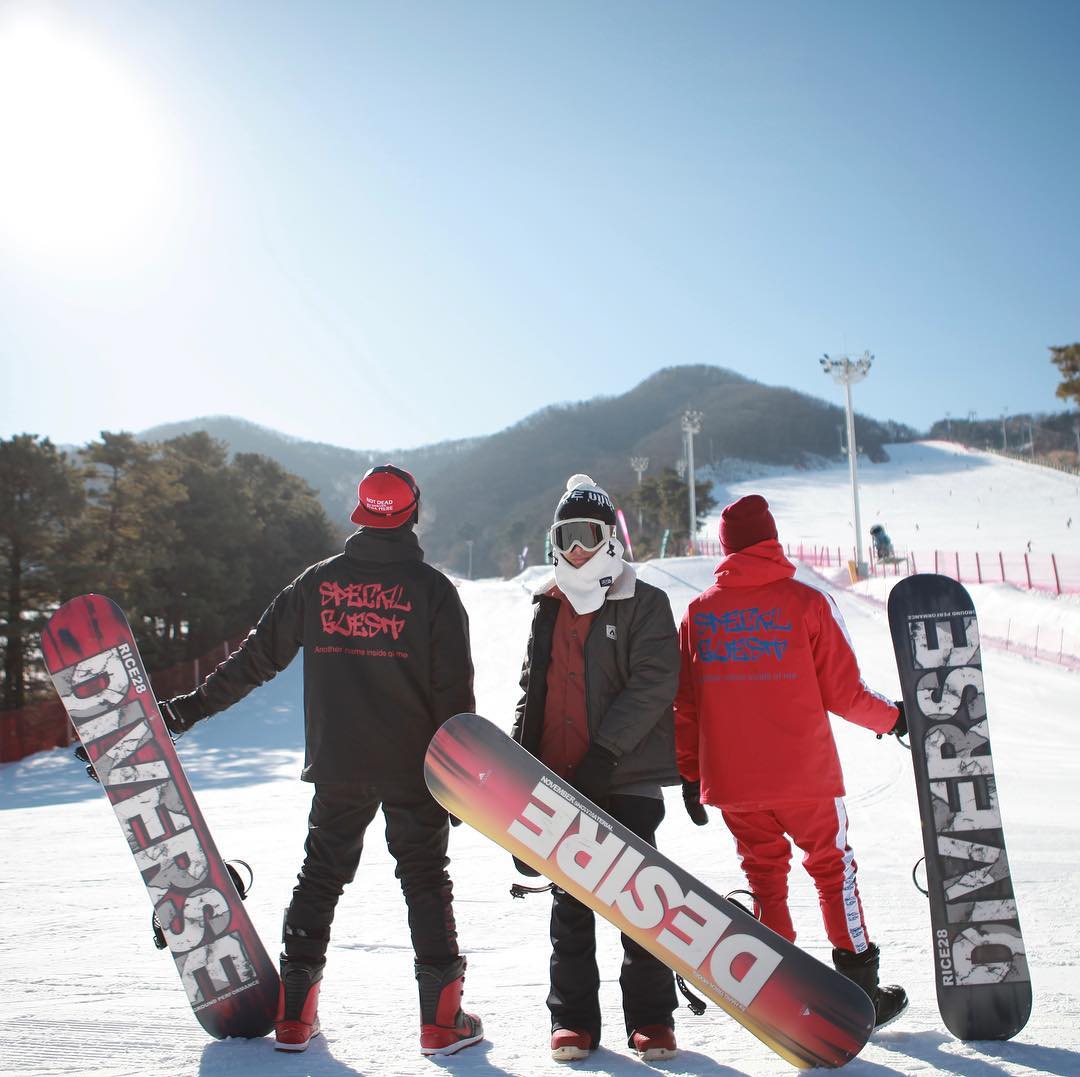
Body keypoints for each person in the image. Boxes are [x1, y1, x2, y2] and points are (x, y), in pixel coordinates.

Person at [160, 463, 484, 1056]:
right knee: (425, 882)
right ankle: (441, 1022)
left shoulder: (317, 584)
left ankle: (293, 1016)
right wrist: (457, 784)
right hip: (417, 768)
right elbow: (454, 699)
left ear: (360, 514)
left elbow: (254, 661)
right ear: (412, 512)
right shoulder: (435, 592)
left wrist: (183, 711)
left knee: (320, 877)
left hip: (341, 764)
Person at [674, 494, 909, 1029]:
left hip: (733, 782)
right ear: (772, 540)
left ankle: (781, 993)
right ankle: (859, 992)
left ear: (727, 548)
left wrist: (691, 774)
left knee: (764, 877)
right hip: (804, 776)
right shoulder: (806, 602)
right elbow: (846, 692)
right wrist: (893, 720)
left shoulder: (698, 613)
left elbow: (684, 707)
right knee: (832, 869)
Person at [511, 474, 681, 1063]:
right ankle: (574, 1022)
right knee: (571, 903)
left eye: (589, 534)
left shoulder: (644, 601)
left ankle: (652, 1020)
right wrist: (516, 782)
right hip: (561, 781)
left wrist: (604, 755)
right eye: (566, 535)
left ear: (611, 537)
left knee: (638, 898)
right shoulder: (548, 605)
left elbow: (655, 682)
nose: (577, 548)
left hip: (625, 775)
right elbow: (533, 693)